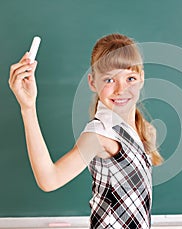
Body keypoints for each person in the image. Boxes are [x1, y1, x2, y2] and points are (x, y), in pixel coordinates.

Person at [9, 33, 163, 229]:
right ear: (92, 82)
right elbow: (49, 180)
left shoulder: (145, 130)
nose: (121, 89)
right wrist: (28, 107)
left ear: (141, 78)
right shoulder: (99, 135)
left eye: (130, 78)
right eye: (109, 80)